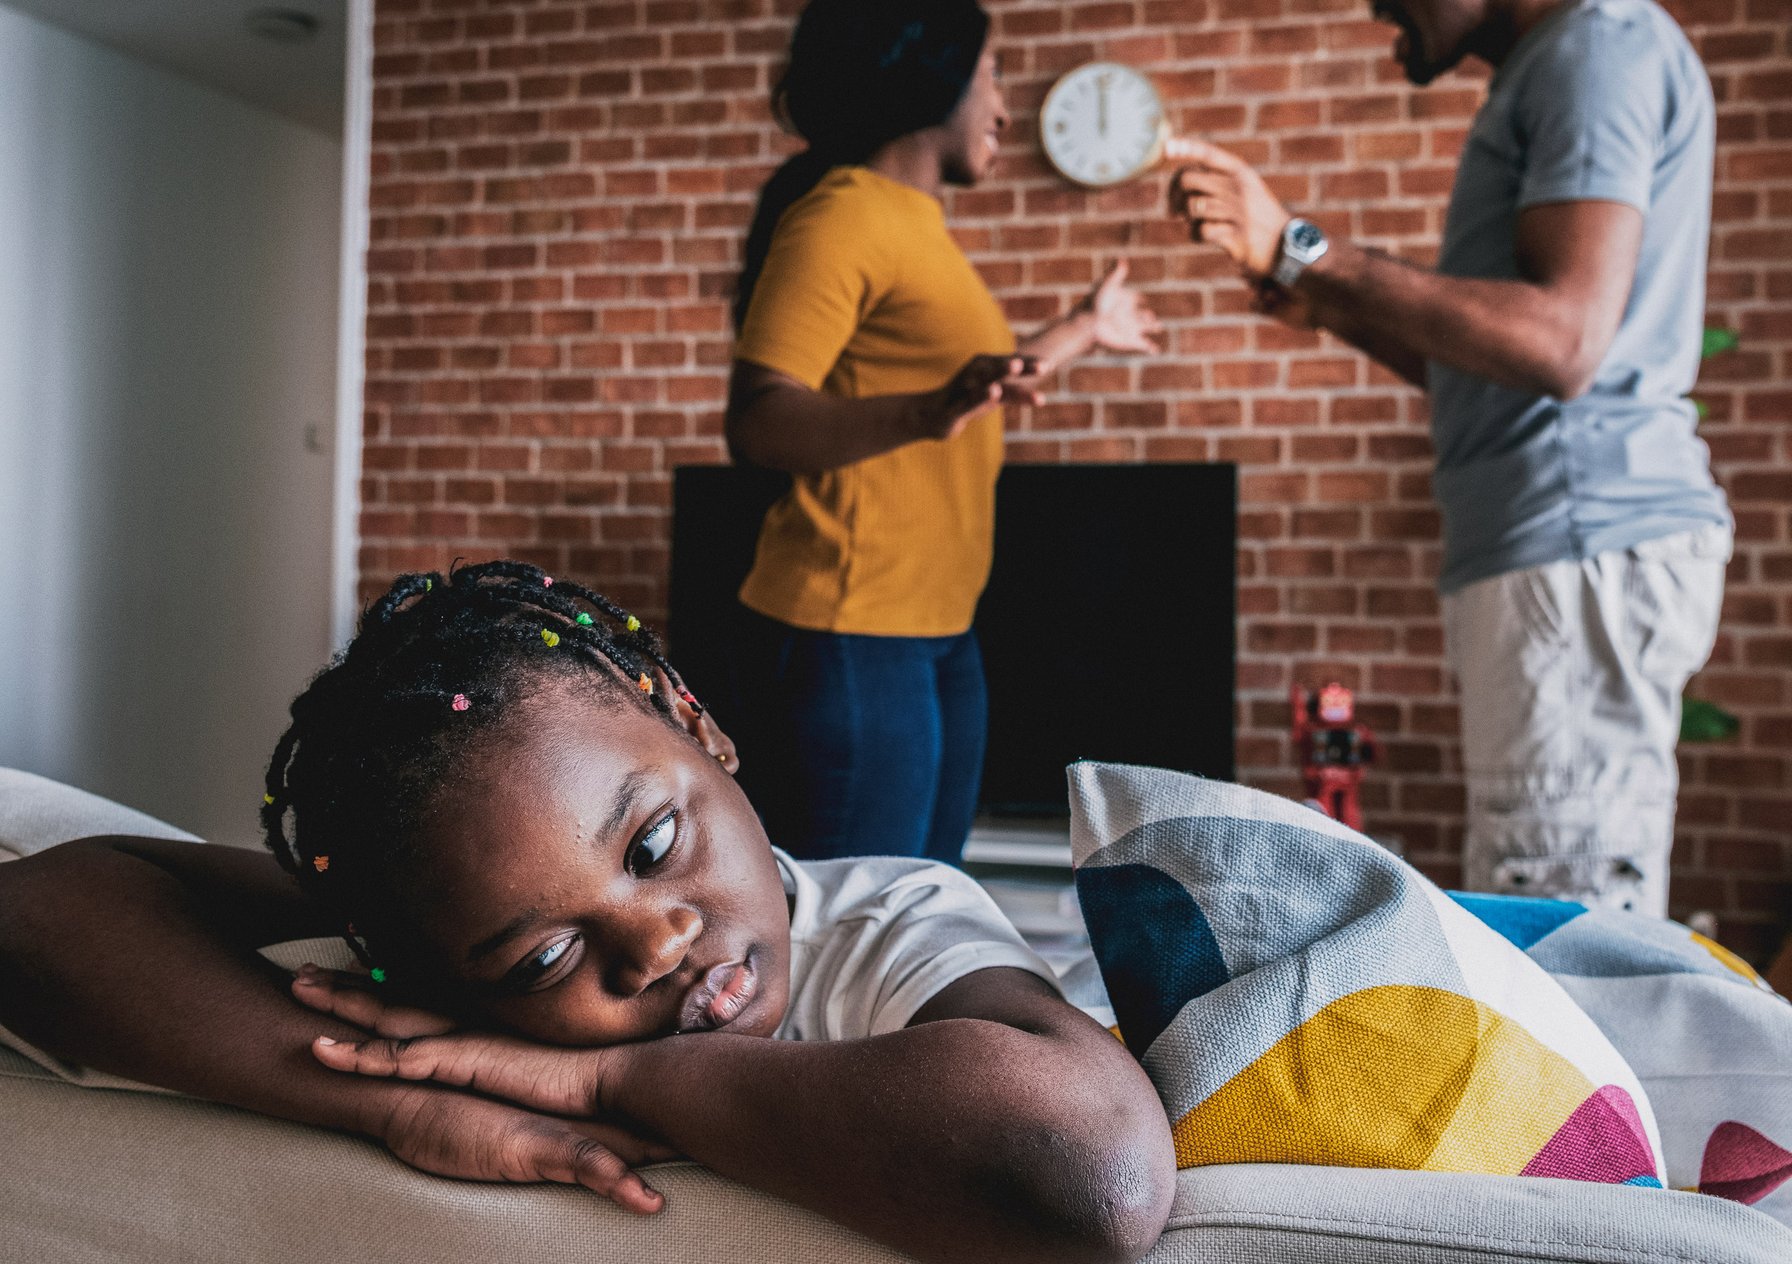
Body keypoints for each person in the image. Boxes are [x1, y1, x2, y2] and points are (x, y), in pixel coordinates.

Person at [0, 562, 1175, 1264]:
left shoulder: (887, 919)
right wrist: (384, 1103)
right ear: (419, 981)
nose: (657, 938)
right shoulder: (420, 953)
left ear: (697, 726)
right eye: (546, 954)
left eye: (655, 842)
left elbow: (1093, 1178)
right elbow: (37, 911)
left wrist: (606, 1083)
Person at [1168, 0, 1731, 916]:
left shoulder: (1595, 45)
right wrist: (1332, 304)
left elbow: (1560, 342)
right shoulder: (1570, 55)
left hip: (1574, 541)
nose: (1376, 3)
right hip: (1557, 550)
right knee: (1548, 905)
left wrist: (1303, 250)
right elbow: (1499, 372)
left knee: (1562, 939)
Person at [724, 0, 1162, 865]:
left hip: (935, 623)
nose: (1003, 105)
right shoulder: (842, 214)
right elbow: (761, 420)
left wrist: (1082, 327)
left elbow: (972, 386)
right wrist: (929, 411)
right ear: (936, 74)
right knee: (862, 927)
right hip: (851, 626)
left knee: (923, 908)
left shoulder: (915, 226)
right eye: (994, 74)